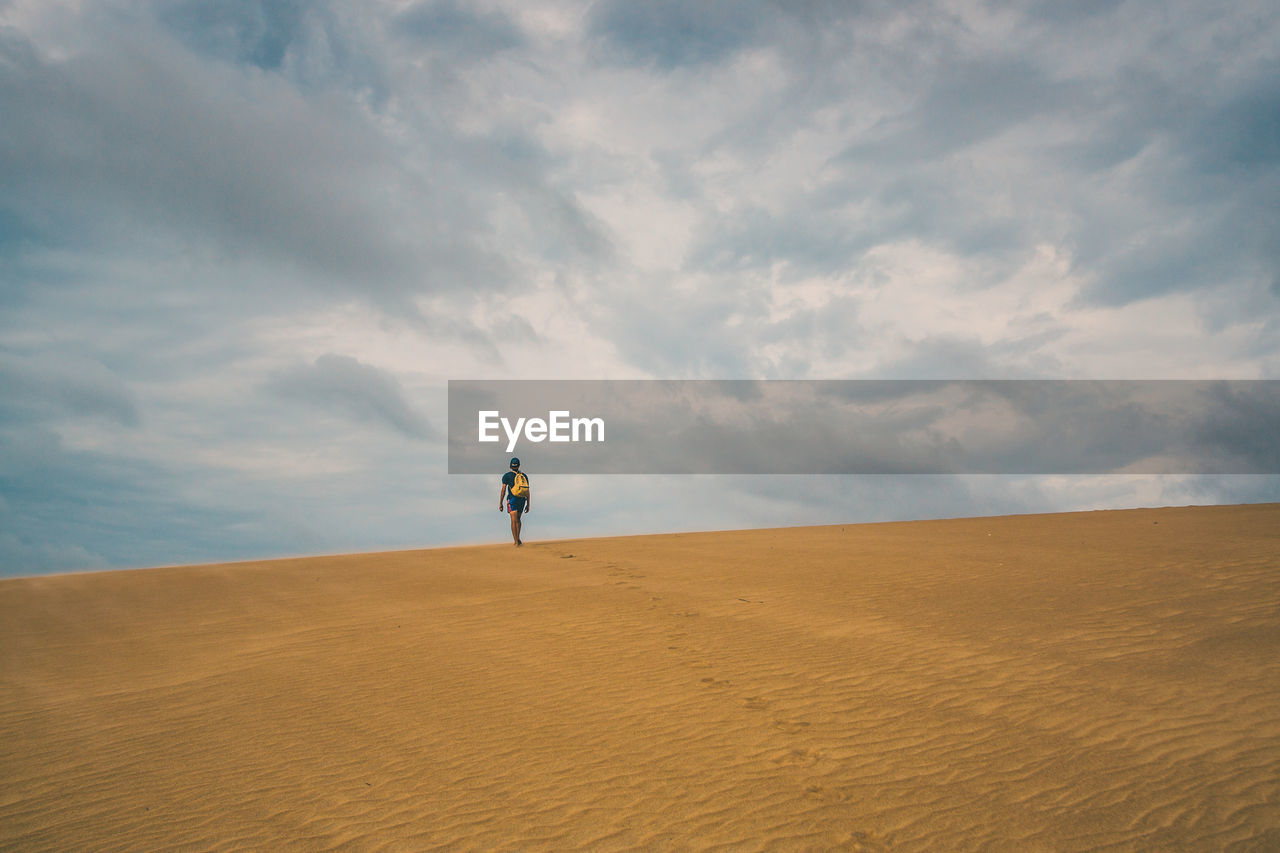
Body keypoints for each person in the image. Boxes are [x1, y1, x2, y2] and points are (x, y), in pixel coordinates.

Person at [499, 457, 530, 546]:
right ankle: (518, 538)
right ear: (519, 465)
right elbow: (527, 491)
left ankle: (516, 542)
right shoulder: (524, 476)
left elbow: (503, 489)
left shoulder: (507, 476)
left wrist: (500, 503)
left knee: (513, 520)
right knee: (518, 519)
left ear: (510, 466)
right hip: (522, 499)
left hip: (512, 499)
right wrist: (528, 504)